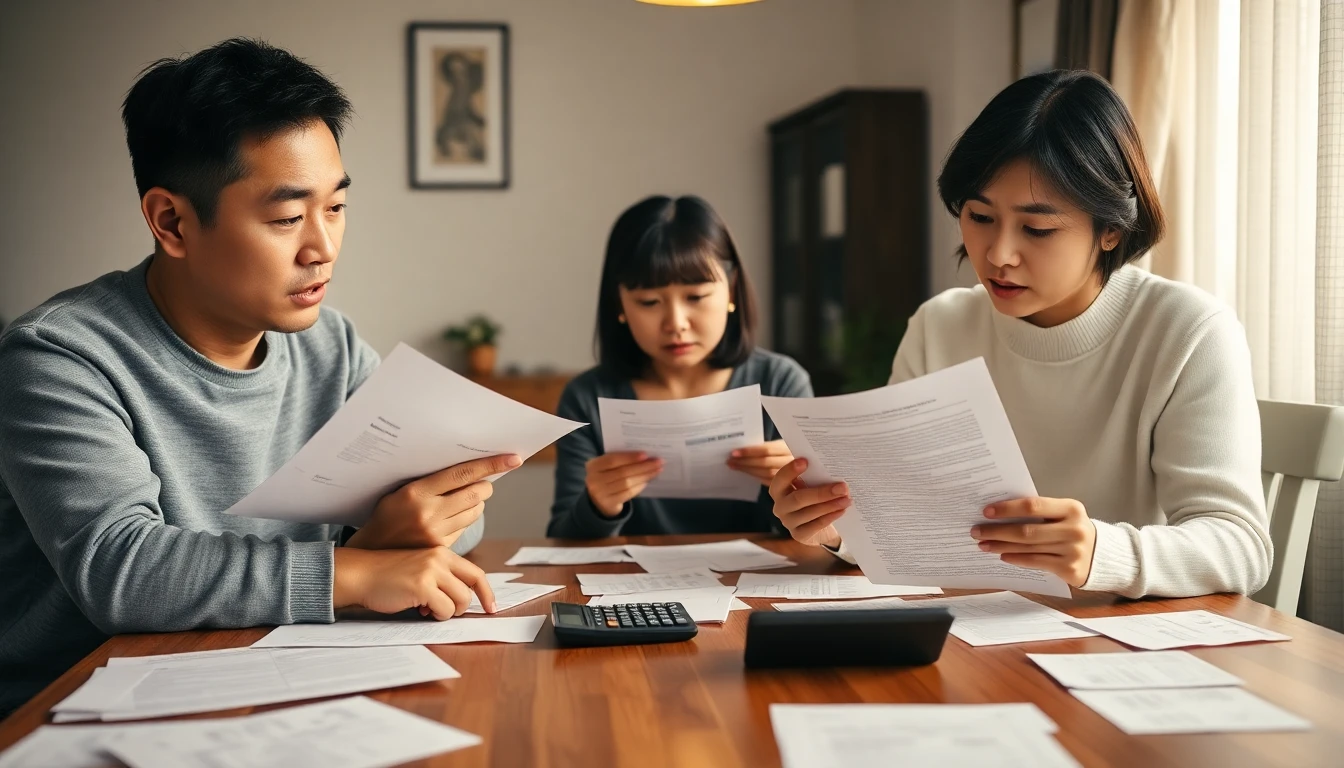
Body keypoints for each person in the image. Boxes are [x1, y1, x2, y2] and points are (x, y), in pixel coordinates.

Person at [0, 38, 505, 717]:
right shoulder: (57, 357)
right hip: (76, 710)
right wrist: (355, 568)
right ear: (171, 221)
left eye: (336, 207)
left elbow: (440, 525)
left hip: (267, 680)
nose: (322, 247)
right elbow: (121, 570)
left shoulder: (332, 346)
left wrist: (392, 539)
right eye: (287, 217)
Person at [769, 70, 1272, 599]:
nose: (998, 254)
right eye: (979, 216)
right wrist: (833, 526)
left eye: (1037, 228)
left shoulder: (1187, 332)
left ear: (1111, 229)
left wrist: (1100, 552)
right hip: (968, 636)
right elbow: (904, 514)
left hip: (1113, 640)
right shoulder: (940, 326)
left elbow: (1239, 547)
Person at [549, 195, 812, 538]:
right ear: (620, 304)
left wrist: (795, 492)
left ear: (731, 290)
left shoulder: (780, 382)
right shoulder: (586, 397)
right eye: (649, 302)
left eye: (696, 297)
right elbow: (561, 539)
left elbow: (815, 540)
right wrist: (599, 504)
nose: (676, 323)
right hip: (630, 589)